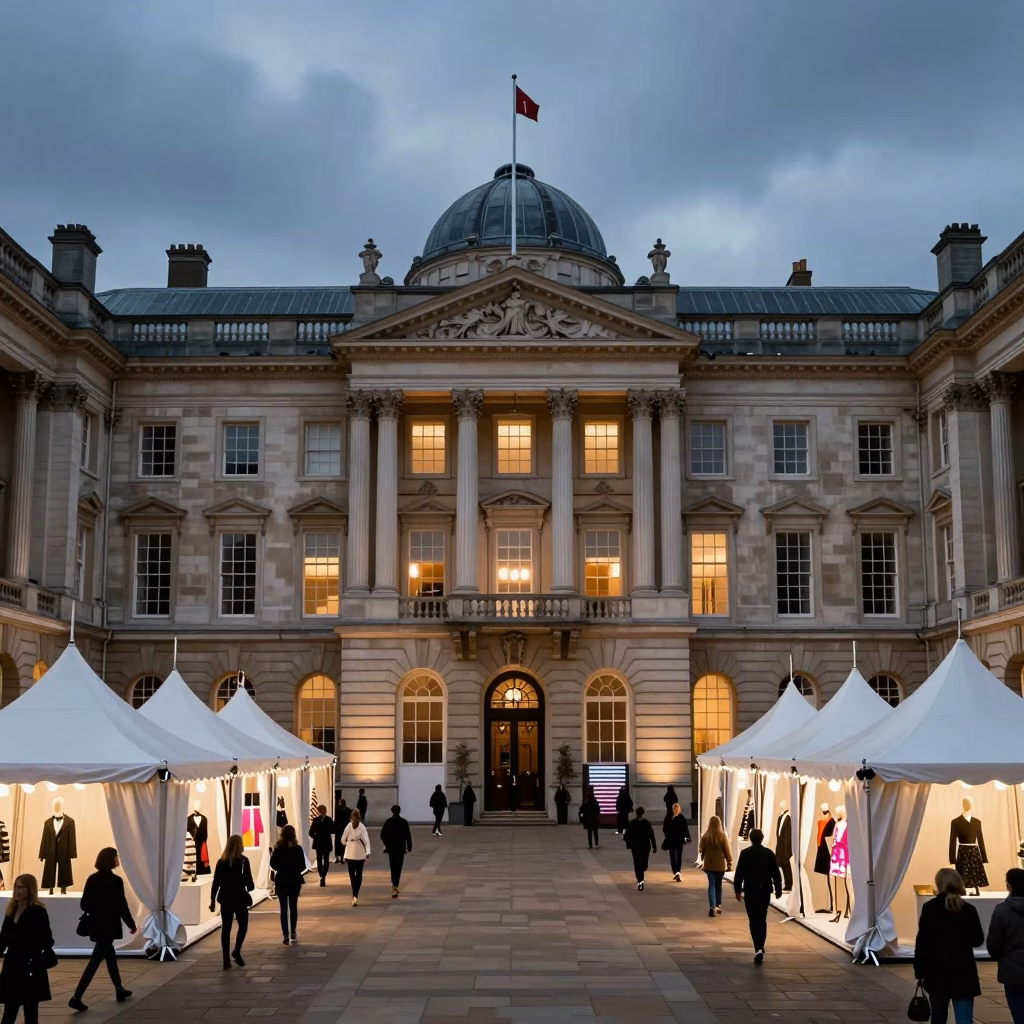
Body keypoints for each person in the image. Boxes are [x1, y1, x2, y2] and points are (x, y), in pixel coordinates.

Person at [68, 848, 136, 1012]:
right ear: (110, 860)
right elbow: (121, 906)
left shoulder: (92, 879)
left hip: (97, 925)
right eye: (116, 856)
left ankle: (119, 989)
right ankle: (76, 997)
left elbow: (84, 904)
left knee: (108, 957)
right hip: (109, 925)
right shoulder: (116, 881)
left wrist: (97, 908)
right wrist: (131, 924)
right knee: (95, 962)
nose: (118, 859)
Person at [915, 867, 985, 1024]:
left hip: (937, 972)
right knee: (964, 1019)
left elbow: (923, 943)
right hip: (963, 971)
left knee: (938, 1017)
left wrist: (919, 971)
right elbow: (977, 940)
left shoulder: (930, 908)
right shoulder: (968, 909)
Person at [0, 874, 55, 1024]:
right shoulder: (11, 910)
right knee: (9, 1011)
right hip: (12, 965)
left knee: (30, 1012)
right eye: (16, 886)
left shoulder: (38, 912)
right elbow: (3, 938)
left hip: (30, 966)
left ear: (30, 889)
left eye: (21, 887)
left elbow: (47, 940)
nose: (17, 891)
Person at [734, 828, 783, 964]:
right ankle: (760, 945)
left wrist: (737, 890)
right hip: (764, 890)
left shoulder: (745, 853)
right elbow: (775, 873)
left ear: (750, 838)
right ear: (762, 839)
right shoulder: (768, 853)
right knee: (762, 917)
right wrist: (778, 889)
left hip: (750, 890)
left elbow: (739, 873)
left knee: (752, 918)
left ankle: (757, 946)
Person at [209, 835, 254, 969]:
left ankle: (226, 960)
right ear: (240, 845)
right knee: (243, 926)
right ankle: (236, 951)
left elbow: (216, 882)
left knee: (226, 929)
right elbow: (250, 885)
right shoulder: (244, 861)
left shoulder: (221, 861)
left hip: (226, 898)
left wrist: (212, 901)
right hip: (240, 898)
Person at [987, 868, 1024, 1024]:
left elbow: (994, 944)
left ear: (1009, 886)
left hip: (1012, 970)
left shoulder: (1002, 910)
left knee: (1019, 1014)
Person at [269, 825, 305, 945]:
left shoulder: (278, 849)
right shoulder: (298, 849)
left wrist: (281, 867)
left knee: (283, 908)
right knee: (293, 906)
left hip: (282, 880)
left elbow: (273, 864)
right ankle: (293, 931)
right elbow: (302, 866)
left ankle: (285, 935)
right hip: (294, 879)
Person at [698, 814, 732, 917]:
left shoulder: (706, 836)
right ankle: (718, 905)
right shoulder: (722, 836)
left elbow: (701, 849)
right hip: (720, 864)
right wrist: (729, 861)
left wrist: (703, 856)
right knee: (719, 886)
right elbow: (726, 850)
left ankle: (712, 906)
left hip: (709, 864)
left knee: (711, 885)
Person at [380, 805, 413, 898]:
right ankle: (395, 885)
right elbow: (408, 835)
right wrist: (409, 846)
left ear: (392, 811)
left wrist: (386, 843)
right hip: (401, 848)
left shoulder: (388, 822)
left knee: (393, 866)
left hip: (391, 848)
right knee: (398, 867)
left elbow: (382, 834)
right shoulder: (404, 822)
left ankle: (394, 885)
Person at [340, 809, 371, 906]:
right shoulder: (350, 826)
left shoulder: (361, 827)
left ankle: (355, 894)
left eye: (356, 817)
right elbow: (343, 838)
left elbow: (366, 840)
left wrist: (368, 851)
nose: (355, 819)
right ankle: (355, 893)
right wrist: (345, 842)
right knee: (353, 875)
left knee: (357, 874)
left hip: (357, 852)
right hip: (351, 852)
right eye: (354, 817)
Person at [623, 807, 657, 890]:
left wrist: (628, 843)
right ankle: (640, 880)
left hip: (636, 846)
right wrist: (654, 846)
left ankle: (640, 879)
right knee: (642, 863)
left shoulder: (632, 823)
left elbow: (626, 834)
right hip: (645, 846)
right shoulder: (646, 823)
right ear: (643, 813)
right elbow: (651, 835)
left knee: (637, 863)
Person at [663, 802, 691, 881]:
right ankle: (678, 871)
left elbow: (664, 828)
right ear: (679, 809)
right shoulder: (681, 817)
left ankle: (675, 871)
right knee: (679, 856)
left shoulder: (669, 818)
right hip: (679, 840)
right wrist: (686, 837)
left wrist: (667, 835)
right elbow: (685, 828)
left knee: (672, 856)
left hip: (671, 839)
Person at [308, 804, 335, 885]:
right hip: (326, 842)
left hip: (319, 842)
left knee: (319, 860)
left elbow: (311, 832)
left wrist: (316, 837)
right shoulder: (329, 820)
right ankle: (323, 876)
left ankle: (321, 876)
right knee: (325, 860)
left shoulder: (316, 820)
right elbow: (333, 830)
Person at [334, 798, 352, 863]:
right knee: (344, 844)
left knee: (337, 843)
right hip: (345, 828)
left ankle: (337, 858)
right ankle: (342, 858)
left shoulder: (336, 810)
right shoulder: (348, 810)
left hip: (338, 829)